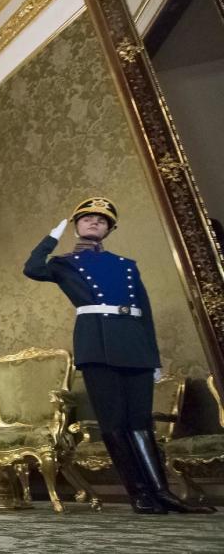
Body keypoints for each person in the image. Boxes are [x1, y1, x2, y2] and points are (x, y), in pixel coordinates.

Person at [24, 196, 215, 514]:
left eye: (102, 219)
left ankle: (161, 492)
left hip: (134, 345)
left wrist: (152, 356)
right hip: (97, 345)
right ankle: (139, 494)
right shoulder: (63, 264)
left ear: (110, 228)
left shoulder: (127, 265)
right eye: (86, 218)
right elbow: (32, 269)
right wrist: (53, 235)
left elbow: (146, 313)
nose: (94, 222)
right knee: (114, 423)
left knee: (140, 423)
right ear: (75, 226)